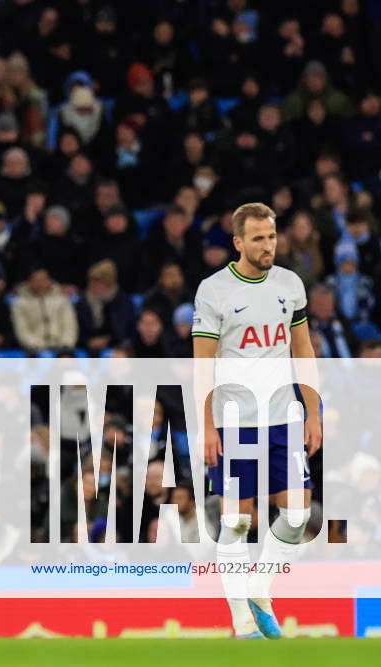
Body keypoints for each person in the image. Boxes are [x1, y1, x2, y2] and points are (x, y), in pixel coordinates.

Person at [192, 203, 320, 639]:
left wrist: (313, 412)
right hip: (232, 421)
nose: (269, 245)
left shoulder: (290, 284)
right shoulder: (214, 290)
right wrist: (207, 426)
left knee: (299, 515)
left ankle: (259, 587)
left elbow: (303, 352)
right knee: (237, 523)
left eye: (272, 236)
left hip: (283, 417)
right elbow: (201, 366)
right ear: (239, 242)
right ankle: (240, 617)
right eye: (259, 238)